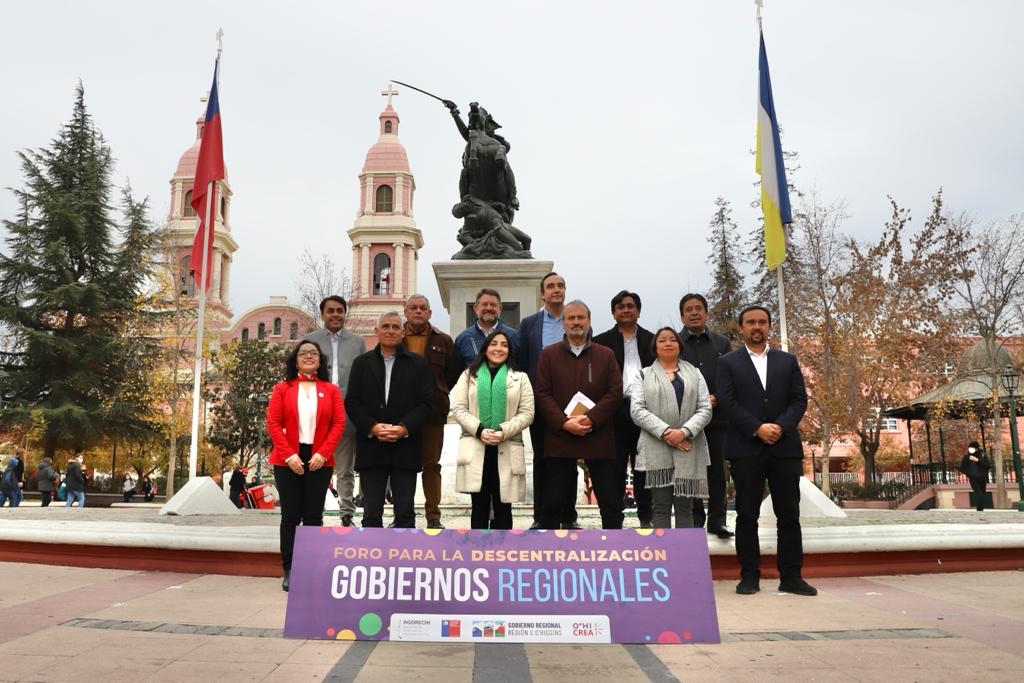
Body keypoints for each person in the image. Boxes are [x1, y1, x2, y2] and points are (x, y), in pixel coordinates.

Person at [717, 305, 815, 597]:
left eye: (762, 322)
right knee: (747, 515)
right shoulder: (728, 362)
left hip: (784, 448)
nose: (756, 326)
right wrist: (758, 428)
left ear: (769, 326)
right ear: (741, 327)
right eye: (750, 322)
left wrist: (780, 427)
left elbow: (799, 400)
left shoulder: (787, 361)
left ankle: (792, 576)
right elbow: (727, 400)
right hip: (746, 447)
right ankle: (749, 576)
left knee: (789, 515)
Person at [535, 300, 624, 529]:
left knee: (610, 502)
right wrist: (564, 423)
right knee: (553, 503)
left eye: (580, 317)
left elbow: (615, 392)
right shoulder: (548, 355)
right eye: (571, 318)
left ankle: (614, 551)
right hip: (560, 436)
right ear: (563, 324)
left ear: (589, 321)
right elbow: (542, 394)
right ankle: (550, 555)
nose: (576, 322)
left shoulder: (606, 355)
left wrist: (591, 419)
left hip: (598, 435)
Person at [266, 340, 346, 592]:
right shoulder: (282, 388)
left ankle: (310, 568)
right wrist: (288, 455)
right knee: (290, 515)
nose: (309, 356)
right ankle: (289, 569)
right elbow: (273, 422)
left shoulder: (330, 390)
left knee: (313, 515)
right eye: (303, 353)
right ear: (295, 359)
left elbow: (338, 423)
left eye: (314, 353)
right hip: (287, 458)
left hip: (319, 459)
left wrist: (324, 452)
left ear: (320, 361)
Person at [345, 312, 434, 529]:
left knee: (405, 512)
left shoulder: (418, 364)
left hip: (405, 446)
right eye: (385, 326)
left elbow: (426, 403)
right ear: (377, 331)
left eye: (395, 327)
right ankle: (371, 560)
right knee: (371, 512)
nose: (391, 331)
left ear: (403, 332)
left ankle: (402, 560)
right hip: (371, 447)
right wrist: (372, 427)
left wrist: (404, 428)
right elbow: (352, 402)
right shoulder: (361, 364)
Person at [451, 331, 535, 529]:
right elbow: (458, 408)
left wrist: (503, 431)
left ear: (509, 350)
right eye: (494, 344)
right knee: (478, 505)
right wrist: (479, 430)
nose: (499, 348)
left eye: (504, 345)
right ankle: (478, 555)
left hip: (505, 445)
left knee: (503, 506)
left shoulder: (520, 378)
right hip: (477, 445)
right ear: (485, 348)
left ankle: (504, 555)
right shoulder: (468, 375)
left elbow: (527, 413)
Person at [630, 327, 712, 528]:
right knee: (660, 506)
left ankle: (685, 557)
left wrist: (683, 432)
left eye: (672, 340)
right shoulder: (643, 375)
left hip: (689, 444)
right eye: (662, 340)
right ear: (655, 347)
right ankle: (662, 558)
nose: (668, 343)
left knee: (685, 507)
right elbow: (637, 410)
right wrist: (667, 433)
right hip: (656, 446)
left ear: (679, 345)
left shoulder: (695, 373)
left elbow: (705, 408)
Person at [519, 272, 577, 528]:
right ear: (542, 294)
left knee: (570, 459)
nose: (556, 290)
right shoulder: (529, 324)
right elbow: (523, 362)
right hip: (540, 400)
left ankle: (569, 516)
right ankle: (541, 517)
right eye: (551, 286)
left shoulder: (575, 320)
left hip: (571, 403)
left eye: (561, 286)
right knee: (542, 458)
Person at [303, 295, 367, 527]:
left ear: (345, 314)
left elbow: (363, 376)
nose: (335, 315)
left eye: (340, 311)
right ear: (323, 314)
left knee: (345, 468)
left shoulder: (357, 342)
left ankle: (346, 513)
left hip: (347, 414)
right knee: (315, 466)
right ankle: (312, 512)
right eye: (330, 311)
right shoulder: (310, 340)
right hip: (316, 415)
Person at [594, 290, 655, 528]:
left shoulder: (652, 340)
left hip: (645, 411)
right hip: (613, 412)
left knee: (645, 468)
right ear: (613, 313)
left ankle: (646, 519)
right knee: (615, 468)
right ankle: (613, 520)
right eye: (620, 306)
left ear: (638, 311)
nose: (626, 310)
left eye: (630, 306)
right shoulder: (600, 342)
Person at [402, 295, 461, 529]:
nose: (418, 312)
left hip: (433, 413)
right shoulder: (395, 339)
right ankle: (404, 515)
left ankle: (433, 516)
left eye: (422, 308)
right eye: (413, 308)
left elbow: (453, 373)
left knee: (431, 464)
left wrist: (436, 392)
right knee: (403, 466)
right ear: (405, 312)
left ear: (429, 313)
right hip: (401, 414)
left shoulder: (443, 341)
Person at [679, 293, 735, 539]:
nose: (694, 313)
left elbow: (731, 376)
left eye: (698, 308)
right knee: (689, 471)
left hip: (717, 417)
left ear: (706, 313)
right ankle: (694, 519)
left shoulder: (721, 343)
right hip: (686, 420)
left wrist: (716, 398)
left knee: (717, 472)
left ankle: (717, 520)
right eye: (688, 309)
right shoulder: (675, 343)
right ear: (682, 315)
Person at [454, 288, 524, 369]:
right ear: (475, 308)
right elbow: (456, 374)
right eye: (484, 304)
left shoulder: (514, 337)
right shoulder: (463, 338)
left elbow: (521, 369)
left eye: (493, 305)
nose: (489, 308)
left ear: (500, 309)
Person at [959, 441, 990, 511]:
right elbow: (962, 468)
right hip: (973, 479)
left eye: (972, 448)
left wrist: (978, 461)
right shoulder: (967, 456)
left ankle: (980, 510)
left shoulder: (982, 455)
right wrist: (969, 474)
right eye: (970, 447)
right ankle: (979, 510)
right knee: (979, 495)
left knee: (982, 495)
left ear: (976, 448)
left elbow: (987, 466)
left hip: (982, 478)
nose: (971, 449)